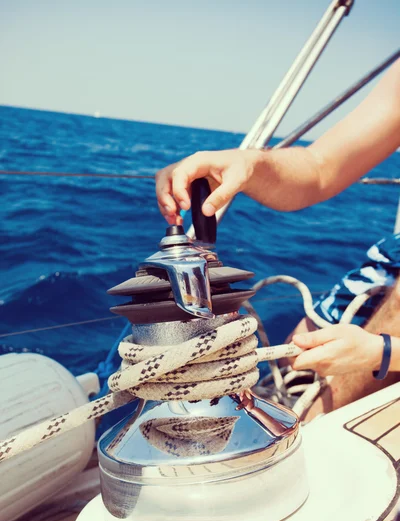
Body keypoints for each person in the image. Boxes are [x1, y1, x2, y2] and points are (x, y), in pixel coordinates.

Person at [155, 58, 400, 419]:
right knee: (291, 363)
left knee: (309, 429)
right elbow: (319, 168)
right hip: (388, 266)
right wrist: (250, 166)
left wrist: (386, 352)